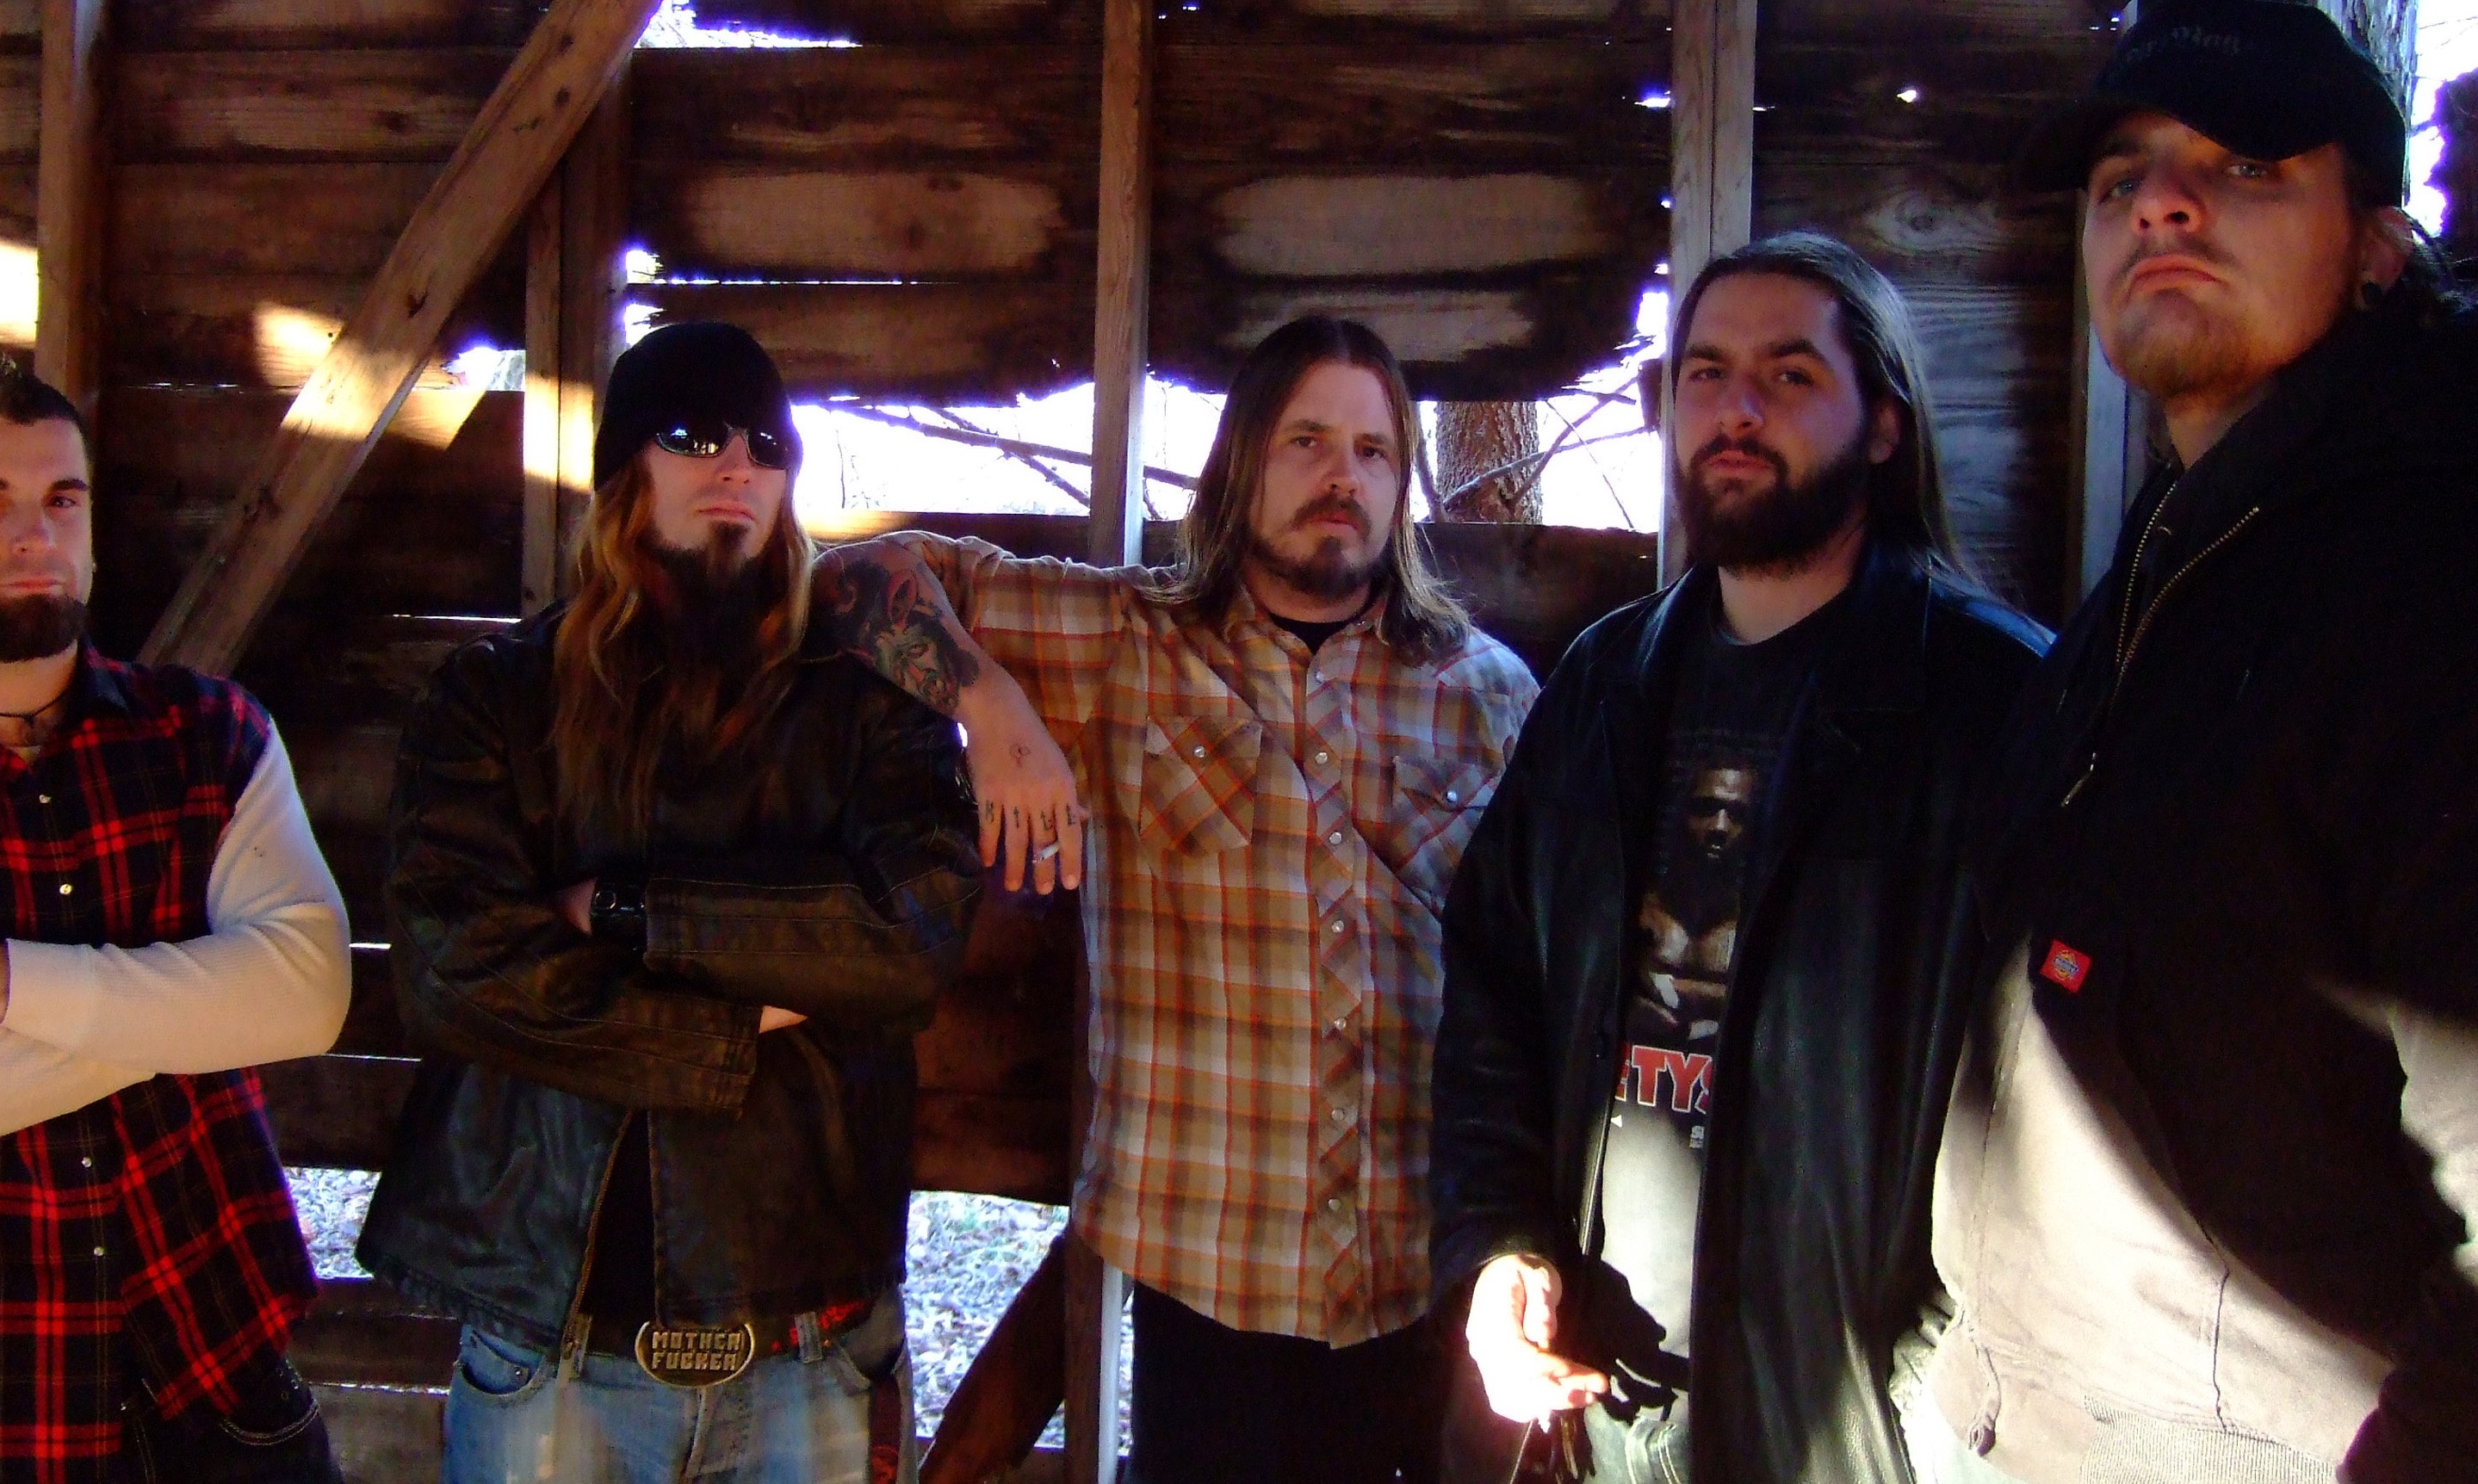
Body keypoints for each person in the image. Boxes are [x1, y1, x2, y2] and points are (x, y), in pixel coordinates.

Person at [1912, 0, 2478, 1484]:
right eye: (2120, 181)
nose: (2161, 203)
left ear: (2377, 245)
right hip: (2040, 1418)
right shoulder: (2184, 551)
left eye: (2246, 165)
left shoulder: (2425, 585)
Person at [815, 315, 1539, 1484]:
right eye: (1307, 440)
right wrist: (990, 707)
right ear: (1241, 461)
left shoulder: (1488, 692)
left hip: (1424, 1289)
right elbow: (854, 577)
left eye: (1373, 450)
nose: (1342, 476)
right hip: (1205, 1284)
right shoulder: (1126, 644)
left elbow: (1545, 978)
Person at [1428, 234, 2048, 1484]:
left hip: (1851, 1429)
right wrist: (1497, 1251)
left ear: (1885, 422)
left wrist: (1935, 1402)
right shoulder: (1603, 687)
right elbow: (1493, 1000)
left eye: (1789, 374)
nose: (1736, 408)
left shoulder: (1994, 703)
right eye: (1705, 373)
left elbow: (2054, 1122)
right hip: (1597, 1413)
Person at [356, 321, 984, 1484]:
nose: (738, 463)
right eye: (697, 434)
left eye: (767, 442)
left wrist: (627, 908)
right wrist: (734, 1024)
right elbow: (454, 970)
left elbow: (912, 933)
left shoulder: (869, 706)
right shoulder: (494, 697)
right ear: (623, 471)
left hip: (813, 1346)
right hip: (553, 1352)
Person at [0, 355, 351, 1484]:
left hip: (226, 1382)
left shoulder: (207, 735)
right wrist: (200, 1003)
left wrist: (6, 983)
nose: (33, 532)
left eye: (63, 498)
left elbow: (308, 997)